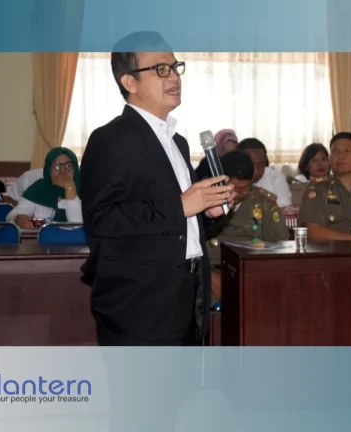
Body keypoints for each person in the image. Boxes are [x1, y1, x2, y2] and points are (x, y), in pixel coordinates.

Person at [80, 31, 235, 347]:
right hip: (140, 304)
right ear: (130, 82)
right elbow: (103, 219)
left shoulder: (178, 142)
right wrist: (182, 206)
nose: (174, 76)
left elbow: (178, 225)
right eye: (160, 69)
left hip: (190, 293)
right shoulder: (110, 139)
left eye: (175, 67)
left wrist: (206, 212)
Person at [205, 151, 290, 301]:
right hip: (210, 268)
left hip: (250, 271)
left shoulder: (265, 202)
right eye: (235, 189)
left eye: (246, 188)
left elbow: (279, 244)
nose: (241, 193)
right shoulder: (205, 199)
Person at [5, 148, 81, 228]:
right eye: (56, 166)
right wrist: (18, 218)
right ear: (48, 170)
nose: (62, 172)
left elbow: (78, 226)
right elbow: (13, 215)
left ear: (75, 169)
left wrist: (70, 188)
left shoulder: (85, 190)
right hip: (42, 236)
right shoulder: (38, 188)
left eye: (68, 166)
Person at [237, 138, 292, 207]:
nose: (256, 171)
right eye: (251, 165)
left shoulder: (276, 178)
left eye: (261, 165)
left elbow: (284, 209)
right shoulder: (231, 180)